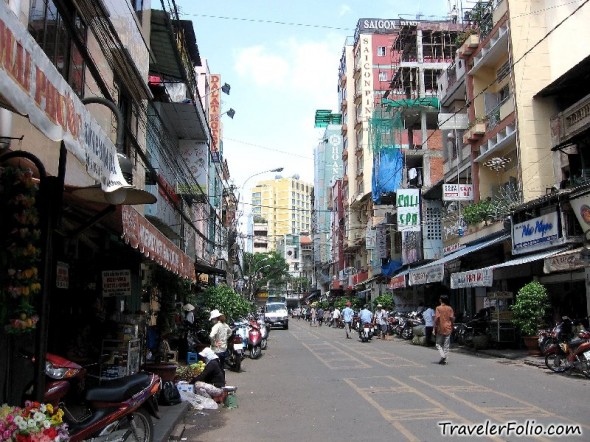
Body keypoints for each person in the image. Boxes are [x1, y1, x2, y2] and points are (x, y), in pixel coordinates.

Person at [434, 295, 455, 365]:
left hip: (441, 328)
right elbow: (452, 318)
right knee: (446, 345)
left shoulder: (438, 308)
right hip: (448, 328)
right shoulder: (450, 308)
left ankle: (443, 356)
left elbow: (437, 318)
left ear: (441, 300)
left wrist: (434, 328)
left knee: (438, 344)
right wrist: (452, 326)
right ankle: (445, 360)